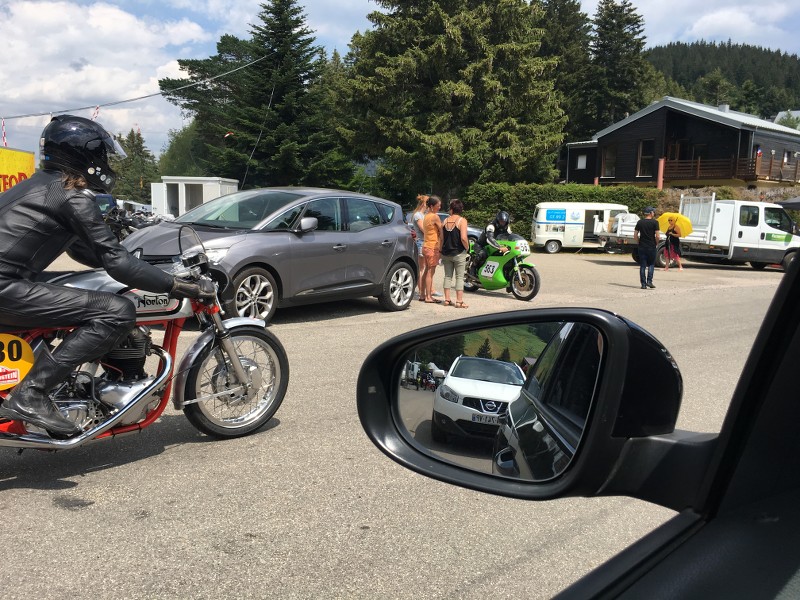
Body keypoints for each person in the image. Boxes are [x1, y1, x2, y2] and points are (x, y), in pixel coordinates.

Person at [0, 115, 213, 436]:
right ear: (84, 156)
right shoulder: (72, 196)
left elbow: (85, 253)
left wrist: (123, 256)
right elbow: (117, 264)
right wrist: (178, 284)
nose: (106, 163)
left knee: (79, 285)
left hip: (10, 283)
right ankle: (32, 394)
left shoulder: (42, 186)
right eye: (102, 155)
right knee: (118, 311)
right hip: (5, 287)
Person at [440, 199, 470, 308]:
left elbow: (441, 239)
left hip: (446, 253)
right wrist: (467, 248)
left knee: (447, 276)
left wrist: (440, 250)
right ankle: (459, 301)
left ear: (452, 209)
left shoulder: (445, 221)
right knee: (459, 277)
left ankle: (447, 300)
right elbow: (463, 238)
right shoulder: (462, 221)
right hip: (458, 253)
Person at [469, 210, 511, 277]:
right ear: (497, 220)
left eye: (504, 222)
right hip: (481, 245)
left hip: (494, 247)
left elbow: (510, 238)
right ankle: (473, 268)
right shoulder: (491, 226)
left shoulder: (507, 228)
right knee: (483, 254)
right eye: (501, 221)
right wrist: (500, 247)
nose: (502, 223)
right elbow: (490, 239)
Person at [421, 195, 443, 303]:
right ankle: (428, 296)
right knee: (430, 272)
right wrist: (442, 245)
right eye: (438, 206)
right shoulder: (435, 217)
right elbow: (441, 231)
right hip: (432, 247)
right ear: (431, 206)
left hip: (425, 246)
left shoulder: (426, 216)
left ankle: (422, 295)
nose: (439, 207)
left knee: (426, 271)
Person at [634, 206, 661, 289]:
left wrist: (639, 242)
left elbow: (635, 235)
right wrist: (656, 243)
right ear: (650, 213)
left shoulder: (640, 222)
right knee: (651, 264)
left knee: (642, 265)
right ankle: (649, 281)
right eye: (653, 212)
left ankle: (643, 284)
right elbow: (658, 236)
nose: (654, 213)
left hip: (642, 246)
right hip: (651, 246)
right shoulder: (655, 222)